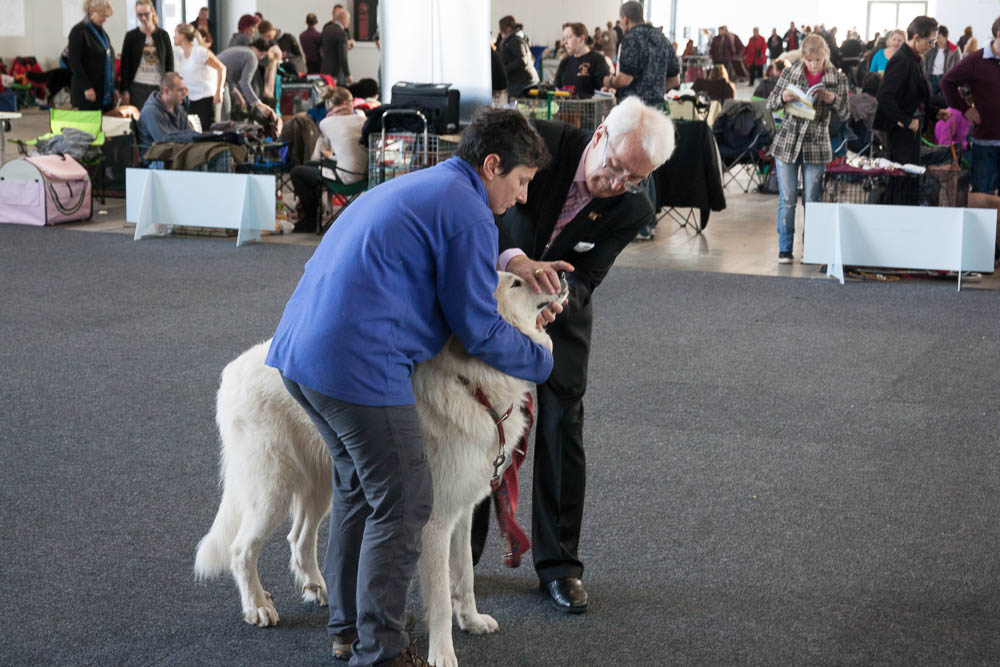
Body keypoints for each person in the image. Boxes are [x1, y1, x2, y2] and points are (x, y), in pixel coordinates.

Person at [265, 108, 553, 666]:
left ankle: (349, 629)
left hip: (300, 354)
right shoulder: (471, 212)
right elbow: (478, 326)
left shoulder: (436, 184)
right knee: (404, 503)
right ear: (492, 166)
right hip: (354, 365)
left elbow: (453, 270)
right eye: (519, 183)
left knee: (358, 491)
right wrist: (540, 359)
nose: (520, 197)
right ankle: (382, 651)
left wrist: (514, 264)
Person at [468, 97, 675, 614]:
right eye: (615, 166)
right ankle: (461, 557)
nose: (618, 182)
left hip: (558, 319)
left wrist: (555, 301)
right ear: (599, 133)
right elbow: (475, 203)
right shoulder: (539, 141)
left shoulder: (634, 206)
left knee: (563, 428)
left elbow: (588, 276)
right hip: (488, 295)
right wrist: (517, 260)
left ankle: (559, 567)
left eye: (634, 177)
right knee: (473, 422)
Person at [767, 33, 849, 264]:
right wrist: (783, 96)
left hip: (817, 144)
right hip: (787, 143)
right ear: (803, 57)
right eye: (810, 60)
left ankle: (811, 248)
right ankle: (785, 249)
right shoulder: (788, 72)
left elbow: (846, 114)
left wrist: (832, 99)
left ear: (826, 57)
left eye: (818, 60)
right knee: (788, 198)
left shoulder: (837, 78)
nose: (814, 64)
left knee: (812, 198)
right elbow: (771, 103)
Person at [874, 17, 951, 165]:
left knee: (911, 176)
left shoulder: (914, 59)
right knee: (903, 178)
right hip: (901, 132)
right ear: (916, 37)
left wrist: (934, 112)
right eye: (930, 41)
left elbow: (915, 98)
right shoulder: (902, 60)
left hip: (912, 128)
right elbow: (884, 96)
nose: (932, 45)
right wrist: (906, 121)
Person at [289, 87, 367, 233]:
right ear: (349, 103)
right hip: (364, 177)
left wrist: (330, 116)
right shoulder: (363, 120)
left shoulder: (327, 123)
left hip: (345, 178)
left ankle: (311, 219)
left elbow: (322, 150)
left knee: (297, 172)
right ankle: (311, 216)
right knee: (311, 166)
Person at [942, 16, 1000, 195]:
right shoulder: (976, 60)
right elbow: (947, 82)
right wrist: (965, 109)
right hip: (986, 142)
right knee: (982, 194)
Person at [605, 1, 679, 107]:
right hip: (656, 111)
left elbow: (625, 79)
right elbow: (675, 80)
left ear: (625, 19)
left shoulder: (630, 39)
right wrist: (655, 91)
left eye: (620, 20)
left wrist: (610, 81)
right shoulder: (663, 39)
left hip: (632, 110)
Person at [119, 0, 173, 111]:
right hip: (137, 87)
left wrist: (169, 87)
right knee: (140, 120)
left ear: (152, 12)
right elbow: (125, 66)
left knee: (159, 119)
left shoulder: (163, 35)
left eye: (146, 14)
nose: (143, 18)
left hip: (158, 86)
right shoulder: (131, 36)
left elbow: (169, 65)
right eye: (139, 15)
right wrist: (124, 90)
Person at [67, 0, 118, 111]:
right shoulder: (78, 32)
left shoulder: (102, 33)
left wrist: (113, 87)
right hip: (87, 93)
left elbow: (109, 59)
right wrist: (86, 87)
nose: (105, 19)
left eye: (107, 16)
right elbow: (74, 63)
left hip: (103, 92)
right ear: (91, 12)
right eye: (102, 15)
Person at [173, 24, 224, 133]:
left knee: (207, 132)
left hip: (206, 97)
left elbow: (221, 68)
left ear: (182, 36)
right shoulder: (182, 55)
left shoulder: (199, 52)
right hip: (191, 99)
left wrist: (219, 91)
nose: (173, 37)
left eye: (175, 34)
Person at [217, 41, 281, 126]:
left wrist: (236, 93)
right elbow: (244, 83)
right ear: (265, 53)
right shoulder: (252, 58)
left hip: (215, 80)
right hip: (217, 82)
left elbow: (229, 73)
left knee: (221, 115)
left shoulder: (244, 51)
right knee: (224, 117)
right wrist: (258, 103)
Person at [554, 22, 609, 98]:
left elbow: (604, 86)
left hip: (589, 109)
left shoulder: (597, 59)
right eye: (564, 38)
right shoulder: (565, 62)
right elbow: (556, 88)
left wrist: (605, 88)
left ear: (581, 39)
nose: (564, 42)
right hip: (565, 108)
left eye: (569, 37)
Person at [137, 72, 189, 145]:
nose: (185, 94)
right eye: (180, 90)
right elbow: (165, 142)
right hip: (157, 155)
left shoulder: (179, 109)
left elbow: (190, 135)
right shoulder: (151, 111)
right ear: (166, 91)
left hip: (176, 151)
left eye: (185, 89)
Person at [498, 15, 539, 98]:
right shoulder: (516, 39)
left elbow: (522, 60)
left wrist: (504, 69)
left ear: (507, 29)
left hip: (522, 84)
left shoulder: (514, 40)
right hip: (523, 82)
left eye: (501, 29)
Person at [923, 25, 961, 97]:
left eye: (938, 37)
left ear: (946, 36)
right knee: (930, 100)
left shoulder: (954, 50)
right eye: (936, 37)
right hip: (931, 79)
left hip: (945, 79)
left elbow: (958, 67)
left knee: (945, 101)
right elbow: (924, 61)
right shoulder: (931, 48)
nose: (936, 39)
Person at [321, 6, 352, 86]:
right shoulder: (342, 34)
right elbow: (343, 57)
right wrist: (348, 74)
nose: (349, 22)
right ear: (343, 20)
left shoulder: (327, 29)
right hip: (337, 73)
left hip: (325, 70)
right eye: (348, 20)